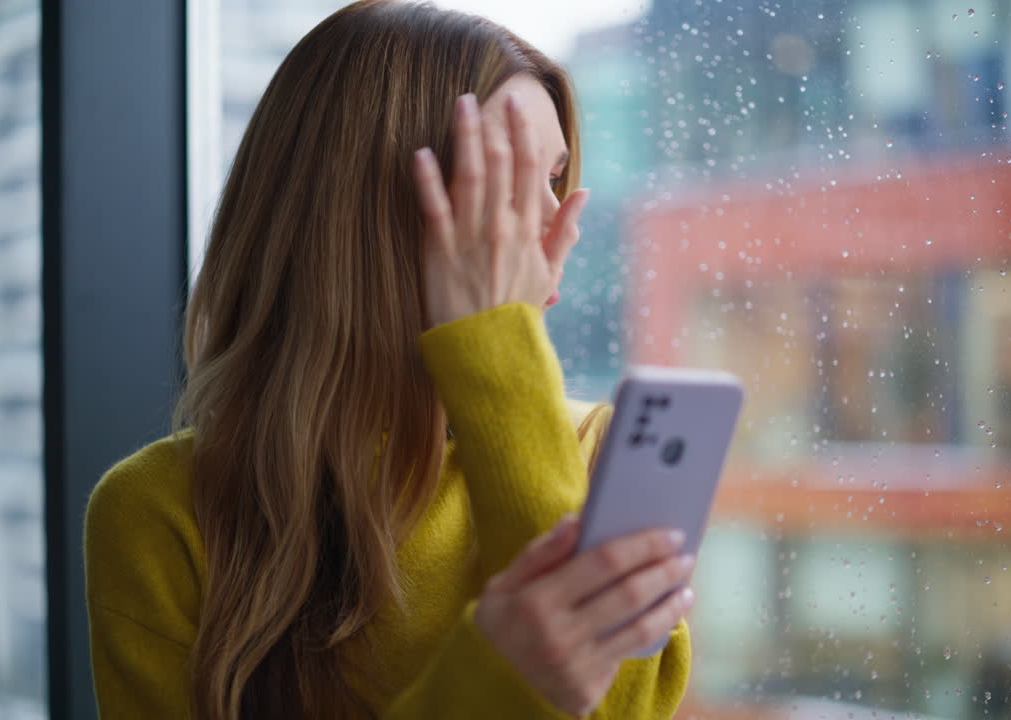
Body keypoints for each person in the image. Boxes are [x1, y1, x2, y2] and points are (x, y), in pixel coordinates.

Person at [83, 1, 695, 718]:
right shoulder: (157, 516)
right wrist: (495, 678)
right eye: (500, 180)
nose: (552, 223)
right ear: (364, 208)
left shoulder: (596, 456)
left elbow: (617, 708)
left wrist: (499, 354)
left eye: (555, 178)